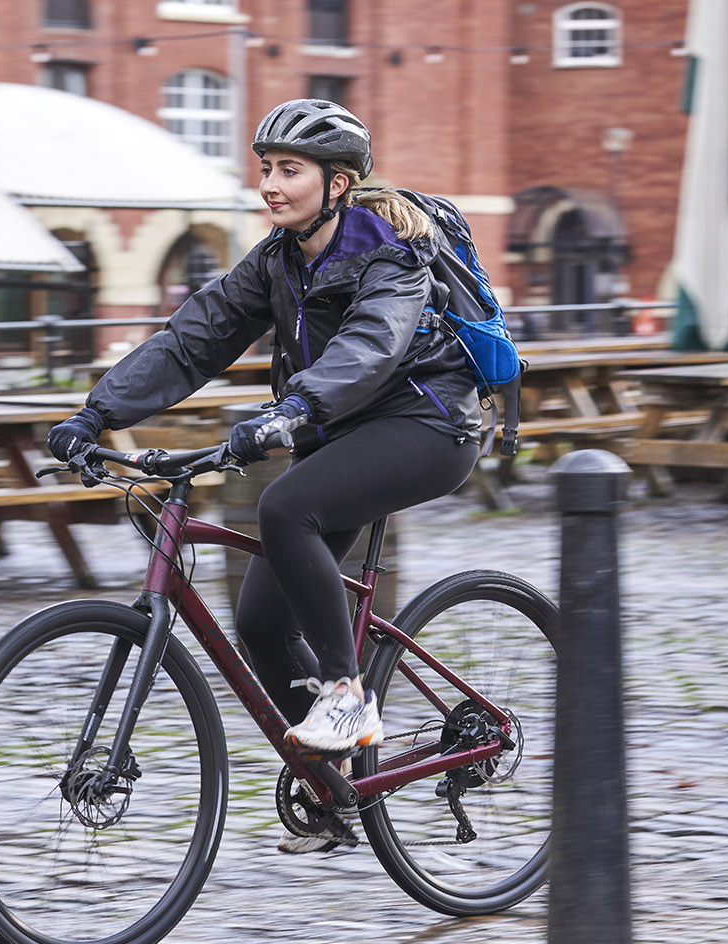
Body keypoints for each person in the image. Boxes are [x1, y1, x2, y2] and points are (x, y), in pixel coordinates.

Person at [48, 99, 483, 850]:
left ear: (339, 183)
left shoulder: (391, 251)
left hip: (426, 422)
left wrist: (290, 410)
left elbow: (373, 347)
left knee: (286, 509)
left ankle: (347, 697)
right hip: (337, 426)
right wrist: (96, 413)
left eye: (291, 171)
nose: (271, 186)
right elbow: (193, 339)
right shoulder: (279, 257)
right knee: (259, 624)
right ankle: (337, 790)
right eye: (267, 170)